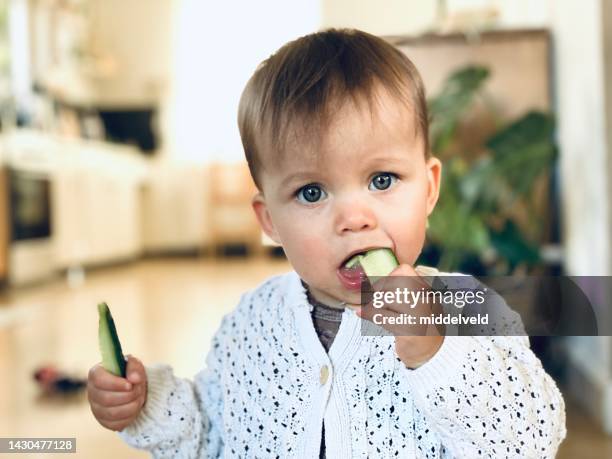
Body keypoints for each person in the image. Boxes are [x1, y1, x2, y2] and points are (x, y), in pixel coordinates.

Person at [87, 28, 566, 458]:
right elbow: (209, 433)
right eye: (312, 193)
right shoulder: (253, 323)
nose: (354, 220)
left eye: (382, 179)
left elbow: (529, 441)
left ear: (429, 189)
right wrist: (145, 403)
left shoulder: (467, 308)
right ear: (270, 220)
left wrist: (437, 352)